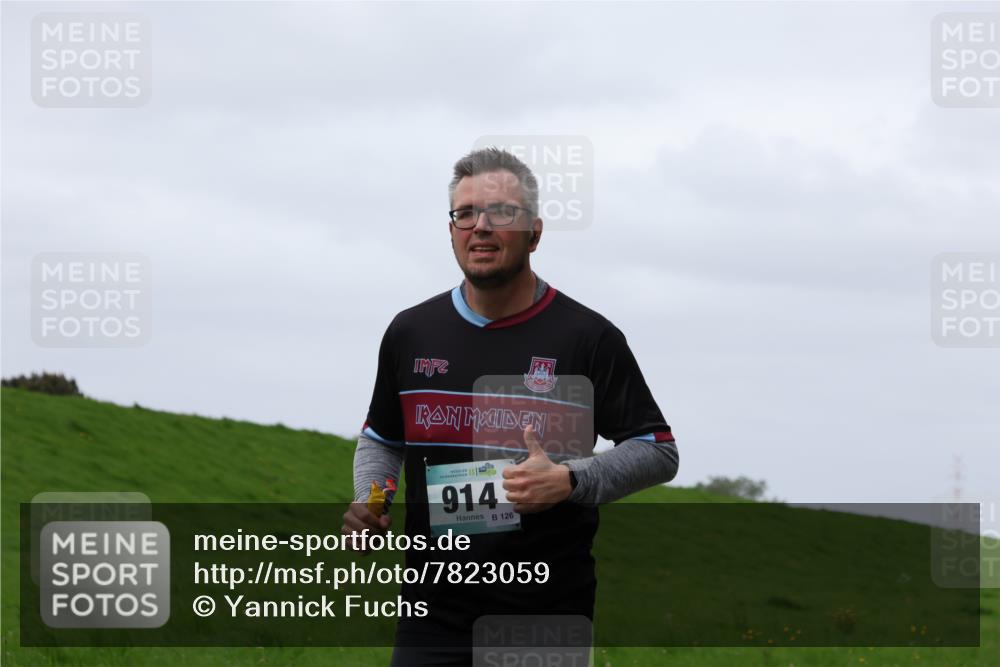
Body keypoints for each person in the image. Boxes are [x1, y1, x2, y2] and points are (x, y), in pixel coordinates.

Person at [342, 147, 679, 665]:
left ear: (535, 233)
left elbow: (658, 450)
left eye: (501, 213)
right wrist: (373, 499)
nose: (480, 226)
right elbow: (384, 441)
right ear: (451, 229)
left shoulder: (588, 338)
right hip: (430, 618)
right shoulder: (410, 332)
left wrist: (570, 482)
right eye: (465, 214)